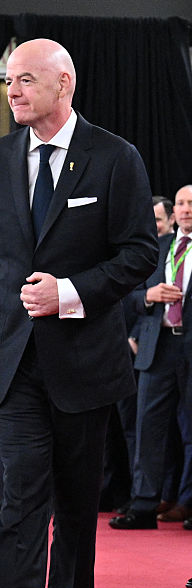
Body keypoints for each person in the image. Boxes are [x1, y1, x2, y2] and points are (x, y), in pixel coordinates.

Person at [0, 39, 157, 588]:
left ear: (64, 84)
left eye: (26, 80)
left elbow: (140, 252)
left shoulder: (115, 157)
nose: (13, 91)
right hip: (12, 363)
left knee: (76, 503)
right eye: (9, 81)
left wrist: (70, 292)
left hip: (86, 362)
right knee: (20, 495)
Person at [112, 185, 192, 529]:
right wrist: (149, 295)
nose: (186, 209)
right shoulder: (157, 248)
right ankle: (144, 505)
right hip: (157, 348)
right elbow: (127, 295)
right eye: (181, 203)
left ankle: (188, 503)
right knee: (147, 429)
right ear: (174, 212)